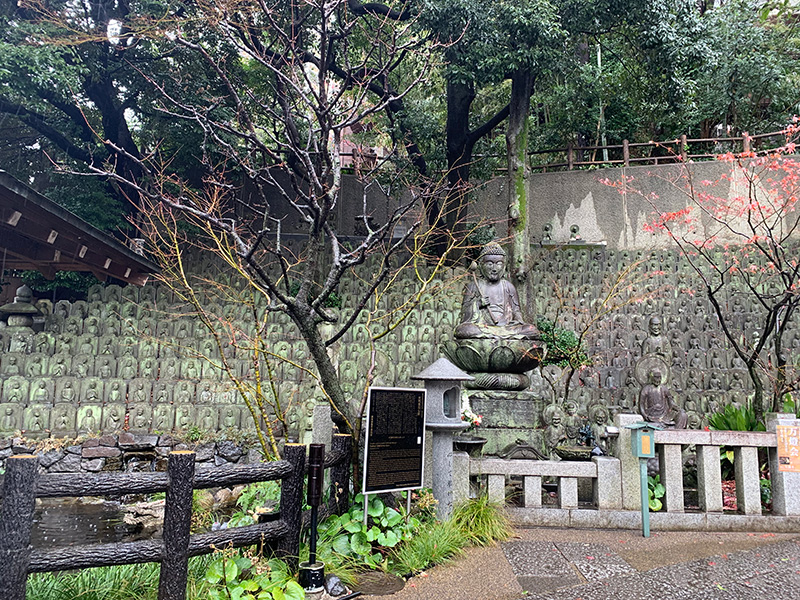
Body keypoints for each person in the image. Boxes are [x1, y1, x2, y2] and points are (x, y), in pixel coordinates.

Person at [454, 242, 539, 340]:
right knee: (464, 329)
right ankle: (496, 336)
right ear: (481, 265)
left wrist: (519, 321)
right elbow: (464, 314)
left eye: (498, 264)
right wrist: (477, 304)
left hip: (505, 328)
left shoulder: (508, 287)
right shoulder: (473, 286)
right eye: (490, 264)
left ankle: (493, 337)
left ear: (504, 266)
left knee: (531, 329)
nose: (494, 269)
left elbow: (516, 311)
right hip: (483, 327)